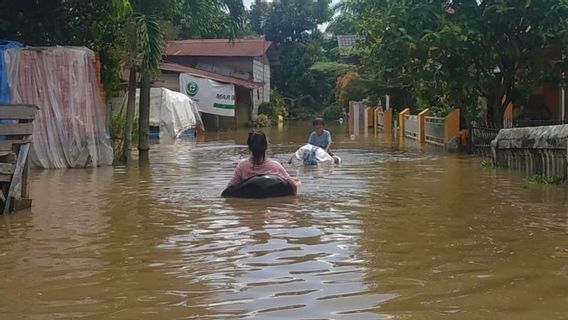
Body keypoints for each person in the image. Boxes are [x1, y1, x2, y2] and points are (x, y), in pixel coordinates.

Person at [227, 131, 301, 189]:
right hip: (271, 202)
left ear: (249, 147)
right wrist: (298, 183)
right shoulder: (275, 166)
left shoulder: (242, 166)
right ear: (266, 146)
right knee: (296, 180)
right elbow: (293, 186)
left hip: (250, 201)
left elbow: (229, 188)